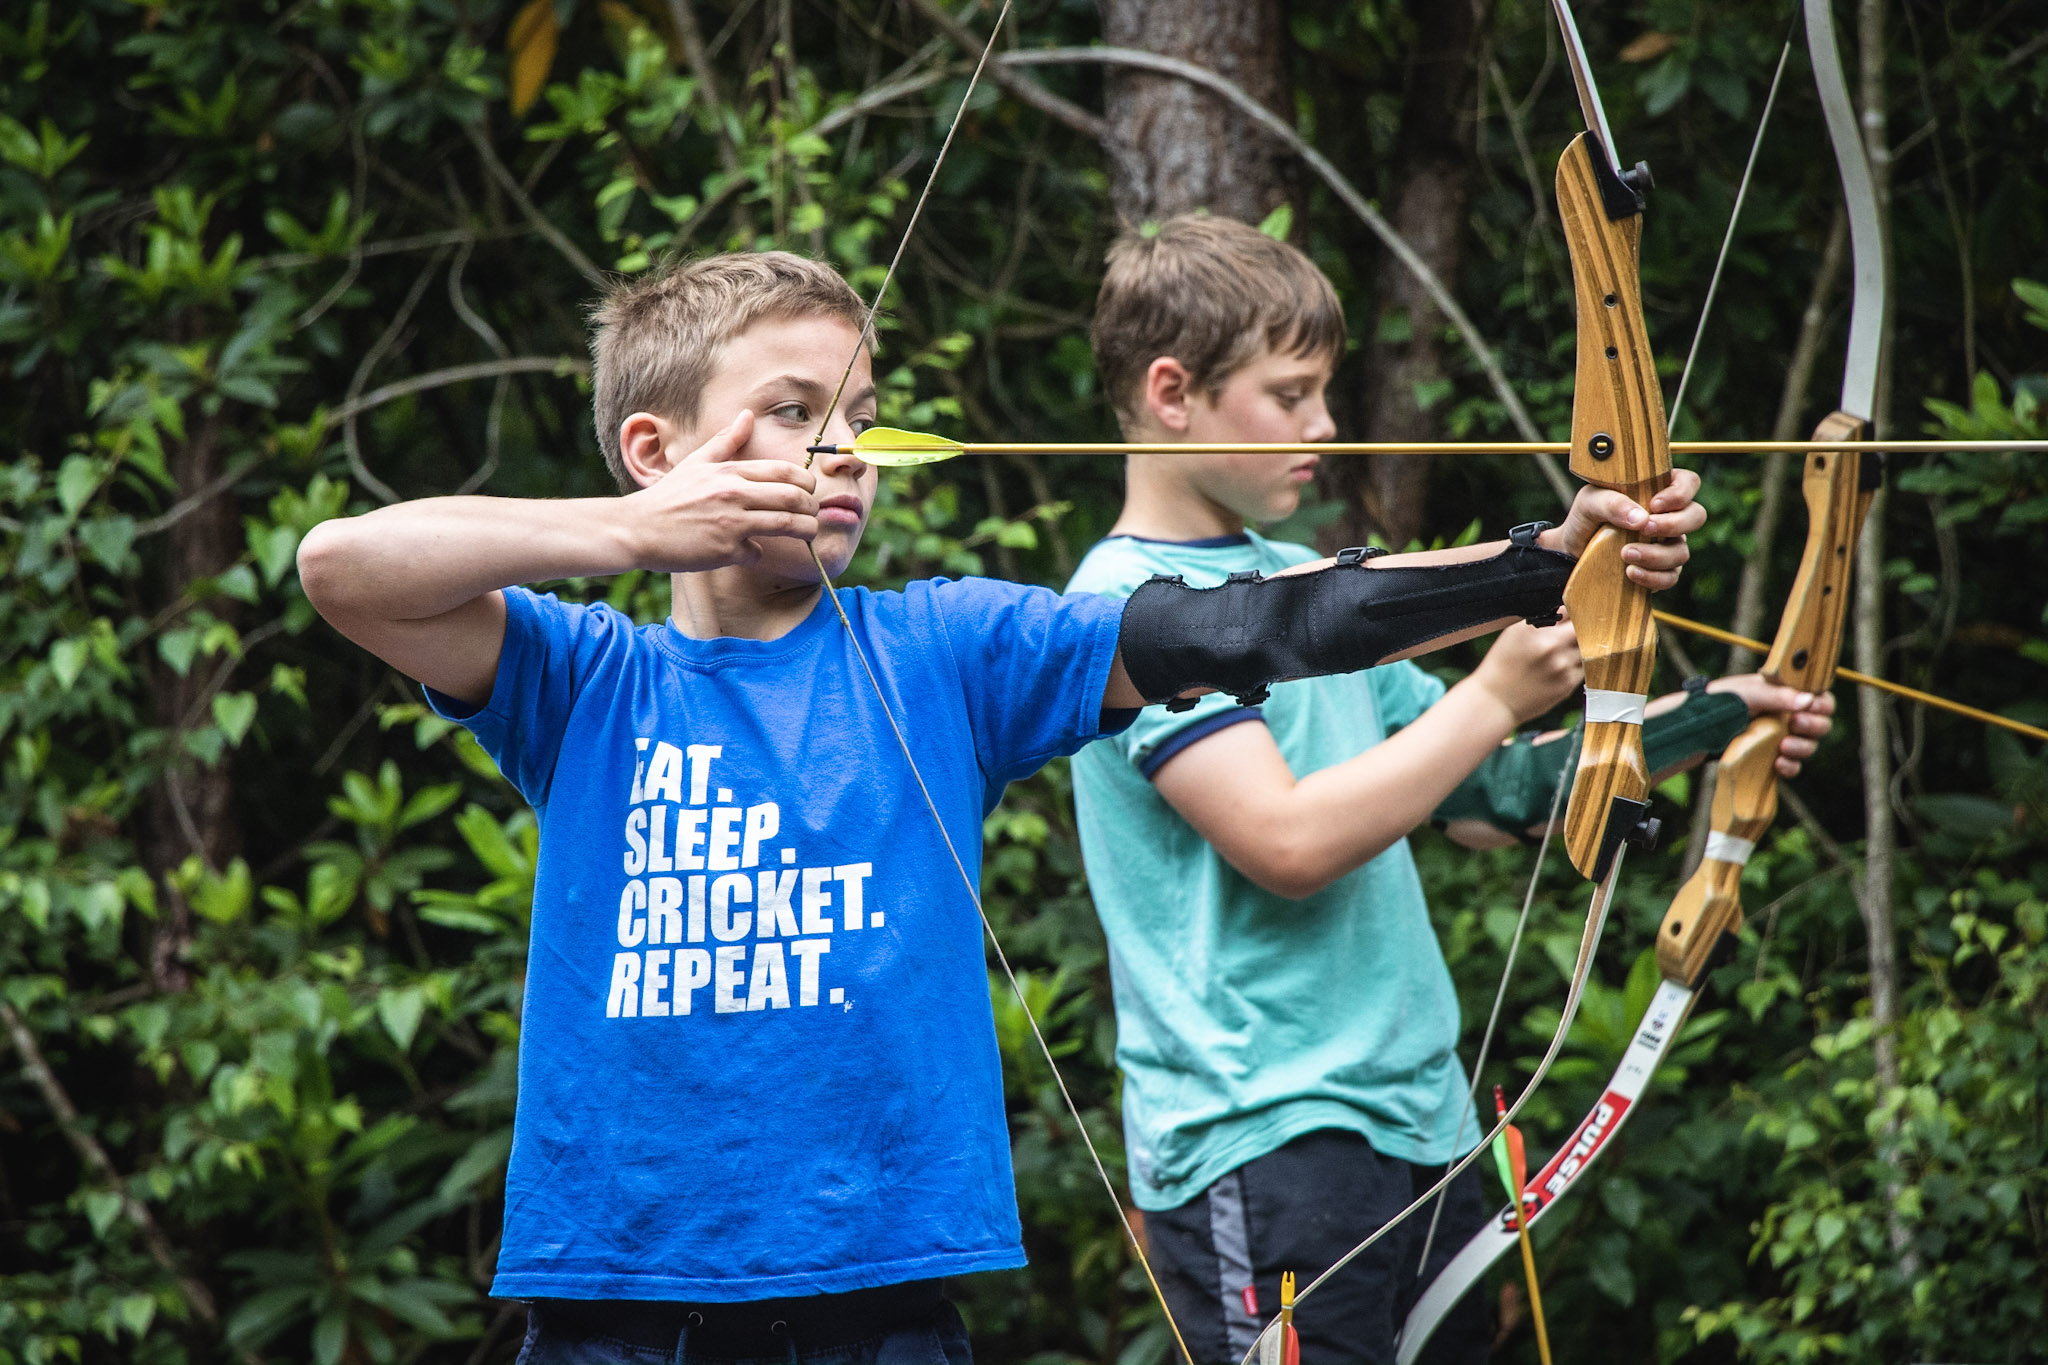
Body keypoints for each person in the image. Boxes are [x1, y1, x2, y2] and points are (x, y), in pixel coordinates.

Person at [297, 249, 1702, 1365]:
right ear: (654, 448)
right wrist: (630, 534)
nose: (845, 447)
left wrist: (1542, 558)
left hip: (881, 1304)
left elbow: (1262, 626)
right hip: (615, 1301)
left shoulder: (946, 650)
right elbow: (342, 567)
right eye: (795, 411)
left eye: (858, 413)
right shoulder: (583, 675)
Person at [1066, 215, 1833, 1365]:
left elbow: (1502, 793)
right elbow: (1283, 841)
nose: (1323, 426)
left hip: (1419, 1127)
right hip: (1261, 1140)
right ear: (1171, 393)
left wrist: (1727, 712)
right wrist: (1492, 689)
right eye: (1289, 395)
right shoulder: (1127, 614)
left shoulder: (1306, 587)